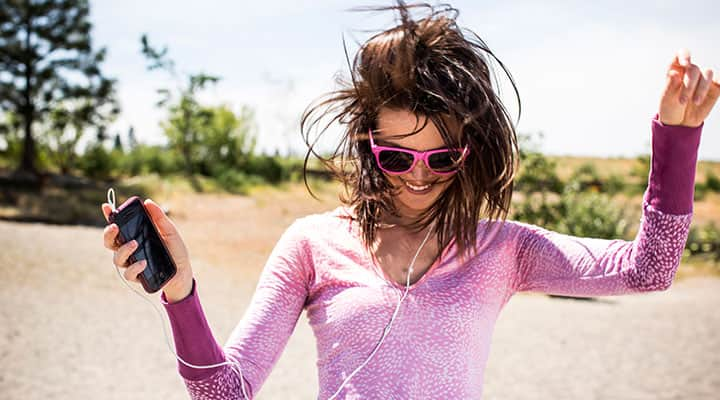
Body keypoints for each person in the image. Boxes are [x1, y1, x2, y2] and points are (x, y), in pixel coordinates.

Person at [101, 2, 719, 399]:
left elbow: (650, 268)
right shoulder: (313, 245)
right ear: (370, 148)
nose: (417, 177)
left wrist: (678, 140)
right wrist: (180, 292)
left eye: (441, 157)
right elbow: (225, 393)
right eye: (396, 156)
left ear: (469, 151)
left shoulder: (502, 249)